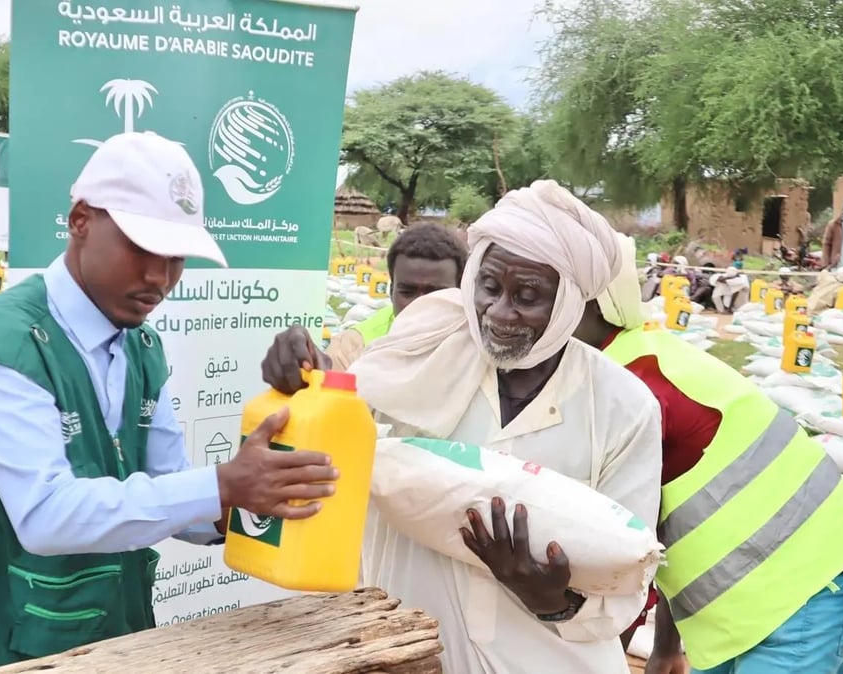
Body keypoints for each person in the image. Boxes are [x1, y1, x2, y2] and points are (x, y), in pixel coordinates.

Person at [0, 132, 340, 673]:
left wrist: (249, 497)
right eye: (141, 248)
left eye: (176, 258)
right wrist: (222, 485)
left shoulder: (142, 348)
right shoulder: (5, 344)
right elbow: (45, 515)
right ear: (80, 220)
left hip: (97, 637)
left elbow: (170, 486)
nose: (159, 278)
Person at [263, 180, 664, 673]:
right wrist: (307, 379)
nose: (499, 312)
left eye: (528, 296)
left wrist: (551, 600)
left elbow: (629, 571)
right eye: (489, 287)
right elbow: (339, 433)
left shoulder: (623, 407)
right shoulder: (415, 356)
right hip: (410, 654)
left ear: (568, 305)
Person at [573, 232, 843, 674]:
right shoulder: (629, 354)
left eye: (532, 294)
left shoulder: (630, 383)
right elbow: (666, 525)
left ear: (586, 302)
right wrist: (667, 647)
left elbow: (624, 553)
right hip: (752, 596)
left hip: (820, 580)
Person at [263, 223, 466, 384]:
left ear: (460, 294)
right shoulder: (352, 348)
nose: (419, 305)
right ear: (391, 292)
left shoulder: (474, 349)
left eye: (435, 293)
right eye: (407, 292)